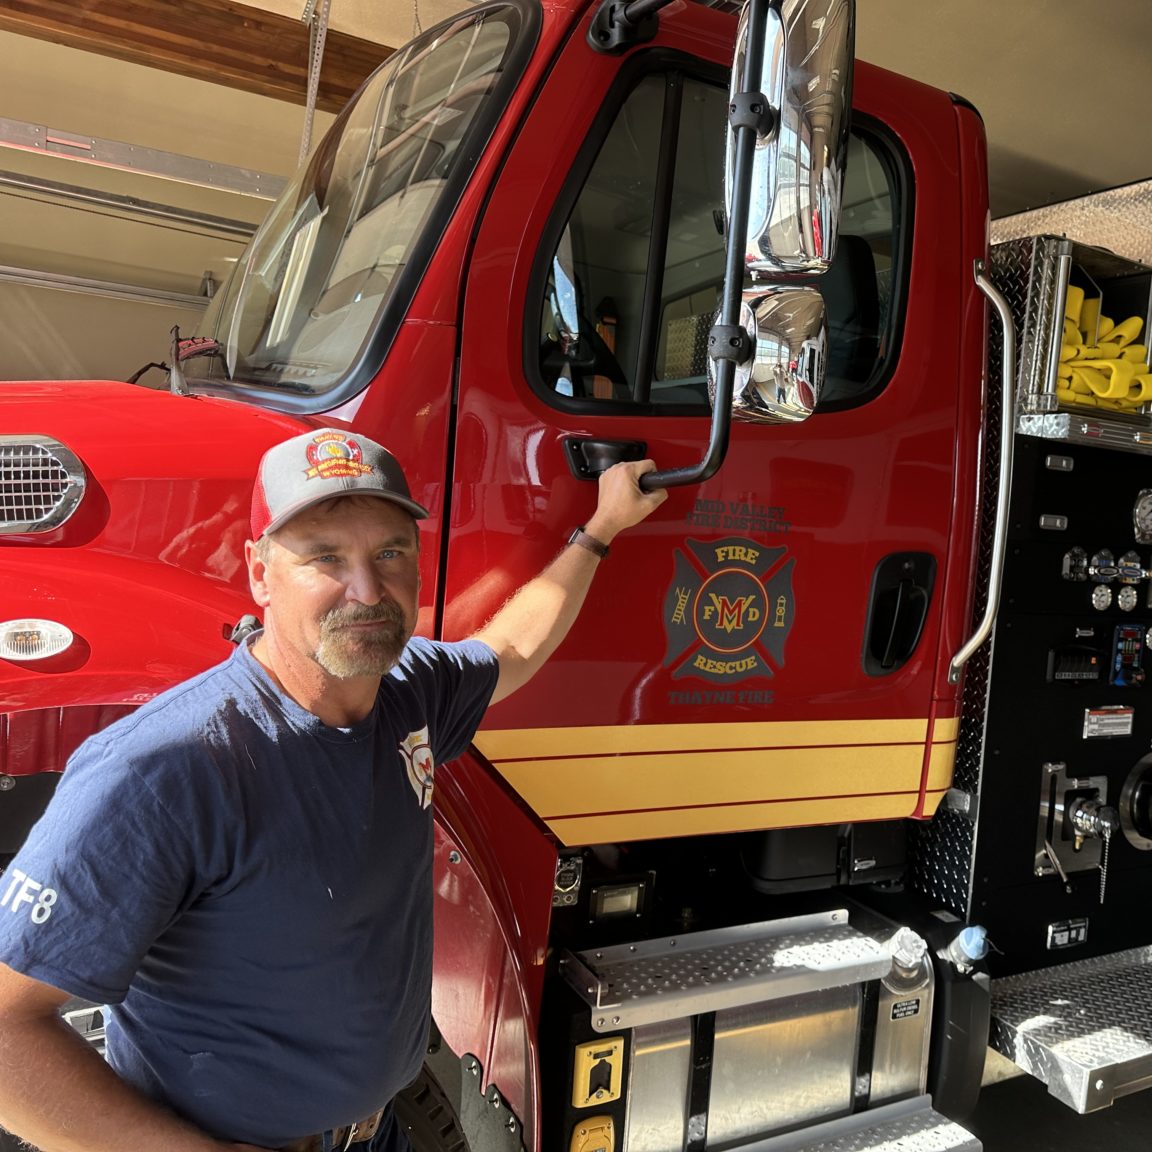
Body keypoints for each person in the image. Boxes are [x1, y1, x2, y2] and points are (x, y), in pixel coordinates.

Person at [0, 428, 666, 1152]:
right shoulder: (164, 770)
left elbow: (511, 649)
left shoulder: (409, 691)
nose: (368, 590)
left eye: (390, 553)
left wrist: (600, 529)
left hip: (387, 1129)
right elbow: (7, 1031)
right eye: (325, 558)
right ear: (260, 574)